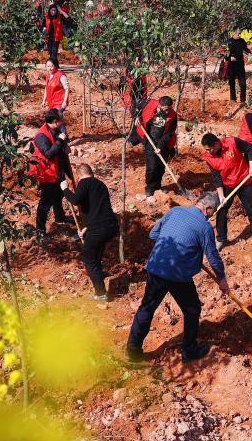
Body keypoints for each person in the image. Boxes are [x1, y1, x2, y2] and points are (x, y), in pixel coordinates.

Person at [126, 191, 230, 363]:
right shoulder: (204, 227)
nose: (212, 216)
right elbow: (213, 257)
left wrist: (174, 241)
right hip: (177, 275)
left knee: (146, 308)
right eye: (214, 212)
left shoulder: (175, 211)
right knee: (192, 309)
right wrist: (222, 279)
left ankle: (132, 351)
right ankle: (189, 350)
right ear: (208, 208)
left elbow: (153, 234)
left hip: (155, 267)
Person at [61, 164, 119, 301]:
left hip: (99, 229)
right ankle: (99, 281)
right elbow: (98, 209)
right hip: (110, 226)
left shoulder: (84, 183)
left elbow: (75, 200)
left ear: (79, 175)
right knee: (95, 256)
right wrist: (87, 229)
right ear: (91, 172)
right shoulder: (101, 185)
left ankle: (100, 294)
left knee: (89, 260)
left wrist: (65, 190)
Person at [200, 133, 252, 253]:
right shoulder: (208, 157)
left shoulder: (232, 142)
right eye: (206, 150)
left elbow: (250, 149)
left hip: (244, 180)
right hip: (227, 184)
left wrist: (251, 166)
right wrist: (221, 196)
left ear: (216, 144)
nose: (208, 152)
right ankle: (221, 238)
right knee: (221, 209)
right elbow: (216, 177)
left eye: (209, 149)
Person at [28, 109, 73, 242]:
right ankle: (40, 231)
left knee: (59, 194)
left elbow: (61, 150)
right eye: (61, 120)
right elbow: (48, 153)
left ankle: (60, 217)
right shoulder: (41, 136)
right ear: (55, 122)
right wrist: (60, 141)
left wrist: (65, 145)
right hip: (46, 173)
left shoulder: (58, 130)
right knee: (45, 202)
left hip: (57, 169)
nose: (63, 121)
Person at [132, 95, 178, 197]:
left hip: (164, 142)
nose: (167, 112)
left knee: (161, 166)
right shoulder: (149, 104)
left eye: (169, 109)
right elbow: (135, 103)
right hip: (149, 139)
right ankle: (149, 188)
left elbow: (170, 133)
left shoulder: (173, 115)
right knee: (152, 166)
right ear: (160, 105)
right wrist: (136, 116)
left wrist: (160, 146)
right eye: (165, 109)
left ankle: (157, 186)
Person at [224, 29, 249, 104]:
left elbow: (245, 48)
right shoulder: (228, 42)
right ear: (233, 33)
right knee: (231, 82)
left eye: (240, 34)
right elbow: (223, 53)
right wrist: (230, 57)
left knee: (243, 83)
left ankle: (243, 100)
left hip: (240, 64)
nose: (239, 35)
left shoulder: (242, 41)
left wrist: (250, 52)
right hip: (231, 65)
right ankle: (233, 99)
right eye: (238, 34)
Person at [43, 2, 68, 67]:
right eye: (52, 10)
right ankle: (56, 65)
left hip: (56, 37)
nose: (53, 12)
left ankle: (52, 66)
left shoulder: (60, 16)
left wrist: (61, 10)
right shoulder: (46, 16)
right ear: (49, 10)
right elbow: (43, 25)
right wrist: (44, 29)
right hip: (48, 37)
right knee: (50, 52)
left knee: (54, 51)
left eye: (54, 10)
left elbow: (67, 17)